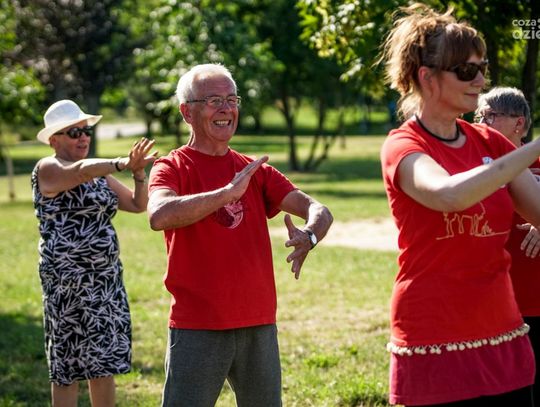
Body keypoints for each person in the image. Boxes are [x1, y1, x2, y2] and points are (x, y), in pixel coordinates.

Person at [379, 4, 540, 406]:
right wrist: (533, 149)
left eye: (482, 68)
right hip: (434, 336)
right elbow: (448, 195)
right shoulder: (403, 145)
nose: (481, 81)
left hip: (502, 334)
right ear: (427, 77)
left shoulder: (491, 143)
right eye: (467, 71)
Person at [147, 63, 333, 407]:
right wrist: (226, 194)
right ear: (187, 112)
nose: (226, 109)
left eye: (232, 100)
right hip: (197, 324)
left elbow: (317, 209)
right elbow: (159, 215)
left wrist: (310, 236)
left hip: (258, 321)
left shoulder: (255, 170)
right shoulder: (172, 167)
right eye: (214, 100)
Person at [31, 99, 156, 406]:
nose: (83, 137)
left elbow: (137, 204)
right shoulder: (48, 168)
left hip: (104, 282)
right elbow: (79, 173)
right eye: (74, 132)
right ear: (54, 140)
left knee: (103, 364)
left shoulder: (99, 174)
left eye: (86, 131)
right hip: (68, 284)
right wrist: (122, 163)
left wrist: (138, 173)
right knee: (67, 367)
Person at [475, 87, 540, 401]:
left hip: (534, 301)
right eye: (479, 115)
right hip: (490, 303)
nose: (481, 123)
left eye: (491, 116)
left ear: (519, 124)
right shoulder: (473, 168)